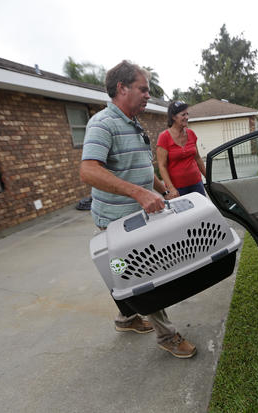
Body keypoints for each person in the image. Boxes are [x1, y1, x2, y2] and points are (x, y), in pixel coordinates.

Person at [80, 60, 196, 358]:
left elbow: (141, 168)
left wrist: (162, 188)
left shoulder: (132, 123)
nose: (148, 95)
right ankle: (167, 336)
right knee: (146, 277)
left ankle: (127, 318)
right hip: (117, 224)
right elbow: (89, 171)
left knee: (121, 273)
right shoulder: (103, 123)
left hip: (137, 218)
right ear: (122, 89)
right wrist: (139, 194)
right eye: (143, 89)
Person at [156, 101, 207, 198]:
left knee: (202, 212)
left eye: (187, 114)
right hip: (177, 188)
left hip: (197, 184)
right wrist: (171, 189)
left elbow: (198, 159)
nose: (187, 117)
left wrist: (208, 177)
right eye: (183, 114)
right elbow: (162, 166)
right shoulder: (164, 137)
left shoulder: (191, 133)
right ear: (173, 117)